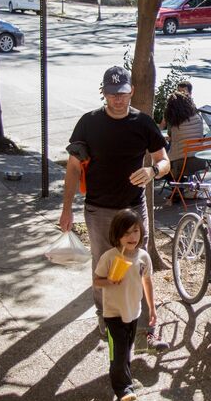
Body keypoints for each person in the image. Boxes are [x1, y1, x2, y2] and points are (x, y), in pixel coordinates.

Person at [59, 66, 170, 350]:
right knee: (102, 265)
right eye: (111, 94)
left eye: (122, 93)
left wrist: (152, 171)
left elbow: (164, 160)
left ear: (131, 90)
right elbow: (73, 167)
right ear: (104, 93)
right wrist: (67, 208)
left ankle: (145, 324)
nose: (117, 100)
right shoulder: (88, 123)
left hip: (133, 208)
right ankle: (105, 317)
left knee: (139, 264)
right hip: (98, 209)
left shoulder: (143, 123)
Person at [93, 209, 156, 401]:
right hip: (113, 313)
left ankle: (124, 376)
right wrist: (110, 281)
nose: (132, 237)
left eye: (135, 231)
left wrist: (152, 308)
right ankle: (121, 388)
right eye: (126, 233)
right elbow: (96, 281)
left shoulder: (143, 257)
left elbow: (147, 282)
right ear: (117, 235)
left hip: (133, 311)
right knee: (119, 350)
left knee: (126, 348)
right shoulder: (110, 257)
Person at [163, 91, 206, 187]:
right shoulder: (198, 118)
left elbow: (171, 137)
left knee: (161, 167)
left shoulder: (175, 121)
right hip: (200, 160)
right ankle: (183, 189)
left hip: (181, 164)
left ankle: (179, 190)